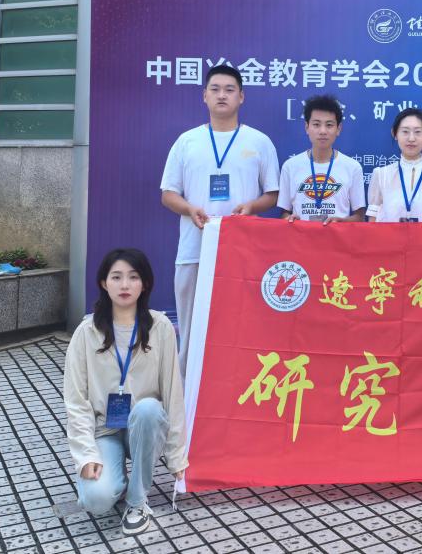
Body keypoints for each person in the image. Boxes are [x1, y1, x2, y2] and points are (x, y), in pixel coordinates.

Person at [161, 65, 279, 375]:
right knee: (190, 329)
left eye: (229, 89)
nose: (222, 95)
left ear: (241, 96)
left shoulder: (259, 142)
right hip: (194, 250)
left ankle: (236, 388)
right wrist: (190, 209)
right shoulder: (187, 141)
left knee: (242, 326)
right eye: (215, 89)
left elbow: (273, 194)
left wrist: (251, 206)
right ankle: (186, 396)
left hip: (243, 252)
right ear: (204, 96)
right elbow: (168, 194)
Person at [63, 249, 188, 536]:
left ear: (145, 284)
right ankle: (116, 480)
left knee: (148, 409)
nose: (124, 285)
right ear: (103, 283)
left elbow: (173, 393)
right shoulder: (86, 332)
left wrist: (176, 456)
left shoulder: (160, 328)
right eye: (116, 277)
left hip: (144, 427)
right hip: (105, 429)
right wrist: (86, 456)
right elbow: (76, 401)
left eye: (133, 277)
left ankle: (137, 502)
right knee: (96, 501)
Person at [279, 94, 365, 223]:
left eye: (329, 125)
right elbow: (284, 212)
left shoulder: (352, 167)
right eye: (316, 124)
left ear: (338, 129)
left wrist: (342, 222)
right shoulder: (290, 166)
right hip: (301, 235)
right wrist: (289, 218)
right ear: (307, 127)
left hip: (337, 235)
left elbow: (360, 217)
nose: (323, 131)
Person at [366, 107, 422, 223]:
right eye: (405, 131)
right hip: (389, 235)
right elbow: (373, 222)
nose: (411, 138)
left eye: (418, 132)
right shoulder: (381, 174)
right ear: (394, 133)